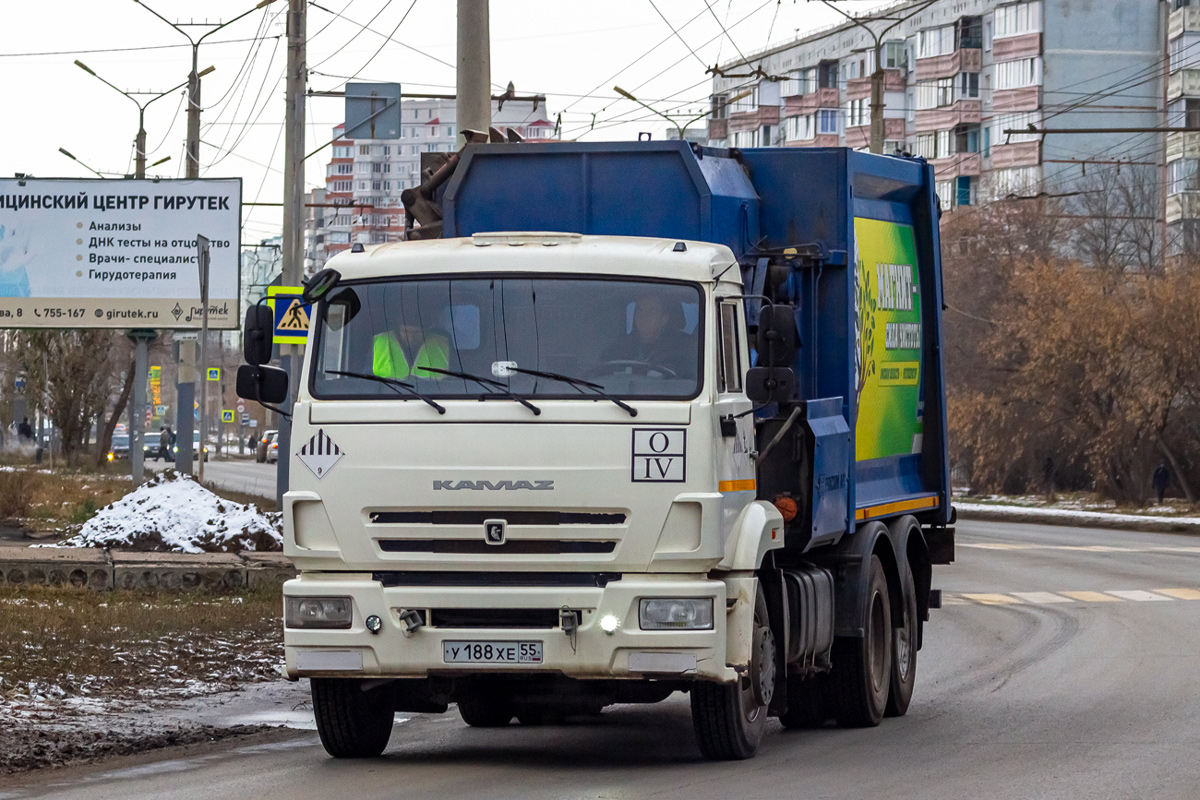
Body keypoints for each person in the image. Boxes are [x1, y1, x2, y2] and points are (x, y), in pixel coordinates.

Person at [600, 293, 696, 379]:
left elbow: (687, 386)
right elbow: (599, 381)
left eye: (652, 311)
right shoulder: (616, 350)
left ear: (664, 319)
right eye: (640, 310)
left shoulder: (683, 352)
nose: (643, 317)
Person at [372, 323, 451, 381]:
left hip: (435, 396)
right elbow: (366, 381)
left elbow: (455, 381)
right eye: (405, 331)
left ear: (426, 332)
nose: (411, 337)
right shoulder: (381, 342)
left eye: (417, 332)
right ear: (397, 330)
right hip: (385, 398)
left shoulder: (440, 344)